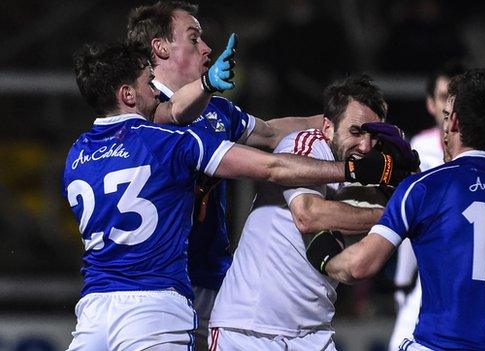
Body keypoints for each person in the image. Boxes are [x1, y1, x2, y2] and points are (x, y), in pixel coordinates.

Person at [64, 42, 412, 350]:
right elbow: (272, 168)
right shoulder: (171, 143)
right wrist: (359, 173)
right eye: (147, 84)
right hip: (157, 306)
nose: (155, 91)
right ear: (128, 94)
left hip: (94, 306)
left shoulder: (76, 156)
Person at [125, 3, 330, 348]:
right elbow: (168, 116)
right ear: (160, 47)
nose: (206, 48)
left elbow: (269, 133)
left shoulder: (216, 112)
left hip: (211, 279)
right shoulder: (139, 110)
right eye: (194, 39)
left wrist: (335, 120)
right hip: (152, 285)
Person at [309, 68, 485, 350]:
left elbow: (358, 267)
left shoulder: (426, 186)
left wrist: (325, 257)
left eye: (448, 115)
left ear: (454, 122)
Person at [207, 75, 416, 350]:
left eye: (373, 136)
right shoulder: (306, 143)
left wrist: (406, 186)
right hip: (250, 329)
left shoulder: (365, 175)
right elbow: (308, 215)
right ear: (328, 128)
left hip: (313, 331)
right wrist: (394, 215)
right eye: (356, 132)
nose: (365, 146)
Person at [389, 62, 485, 350]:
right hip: (430, 278)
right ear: (431, 104)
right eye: (444, 97)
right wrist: (402, 281)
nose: (451, 108)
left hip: (483, 282)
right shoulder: (416, 150)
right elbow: (408, 223)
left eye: (456, 99)